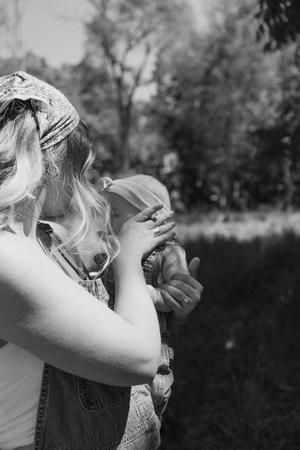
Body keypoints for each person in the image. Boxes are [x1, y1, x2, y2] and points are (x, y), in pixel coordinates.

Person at [0, 71, 178, 450]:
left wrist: (147, 296)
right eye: (81, 166)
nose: (86, 181)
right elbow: (140, 358)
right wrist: (129, 259)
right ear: (53, 161)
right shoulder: (5, 253)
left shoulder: (29, 240)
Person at [97, 174, 201, 421]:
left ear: (153, 219)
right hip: (115, 354)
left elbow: (179, 294)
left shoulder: (169, 253)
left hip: (150, 371)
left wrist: (153, 294)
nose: (106, 221)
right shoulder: (110, 251)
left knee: (137, 422)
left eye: (115, 214)